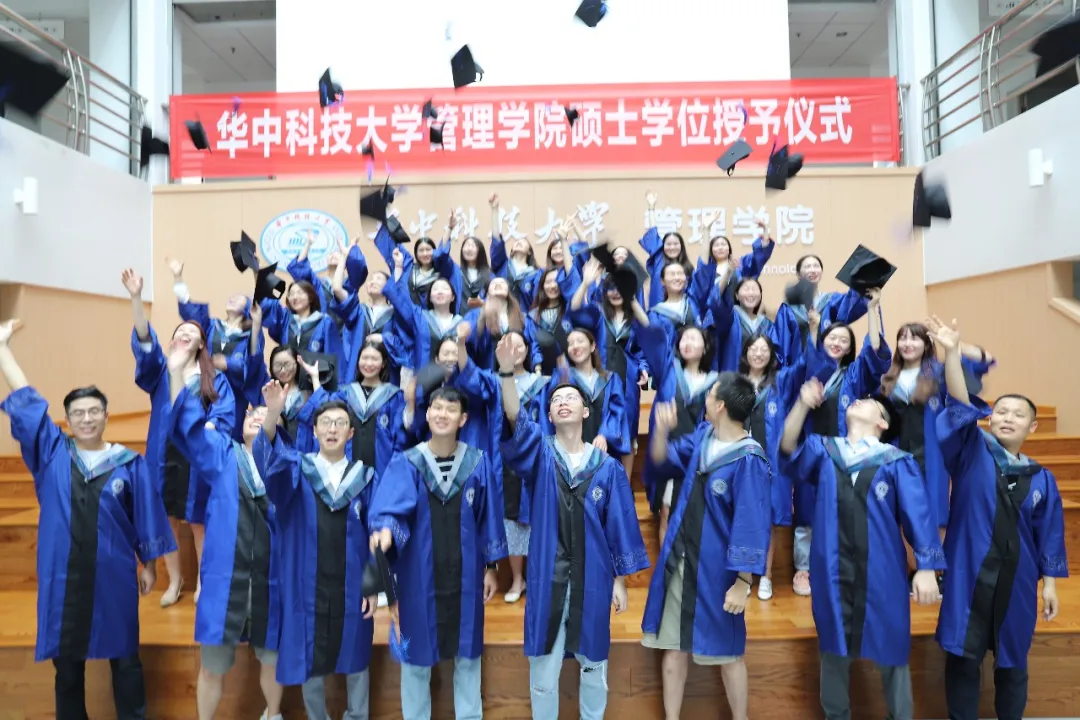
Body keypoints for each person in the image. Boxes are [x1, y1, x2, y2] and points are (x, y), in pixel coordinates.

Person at [0, 319, 174, 720]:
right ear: (67, 419)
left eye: (94, 411)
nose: (87, 418)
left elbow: (145, 515)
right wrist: (4, 349)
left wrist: (149, 565)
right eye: (78, 413)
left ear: (106, 415)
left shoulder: (129, 463)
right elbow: (28, 403)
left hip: (113, 573)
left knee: (126, 660)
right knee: (67, 667)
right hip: (63, 576)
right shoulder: (52, 453)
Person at [498, 336, 649, 720]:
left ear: (585, 411)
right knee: (543, 673)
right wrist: (506, 373)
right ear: (549, 415)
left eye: (571, 398)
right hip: (547, 578)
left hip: (593, 577)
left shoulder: (607, 468)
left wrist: (619, 581)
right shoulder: (540, 453)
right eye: (556, 400)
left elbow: (618, 526)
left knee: (594, 668)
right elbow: (515, 419)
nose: (563, 401)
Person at [779, 377, 946, 720]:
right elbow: (787, 446)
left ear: (882, 422)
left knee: (892, 646)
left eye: (869, 401)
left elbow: (918, 515)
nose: (857, 400)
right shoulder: (825, 451)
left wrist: (927, 567)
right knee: (833, 646)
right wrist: (802, 404)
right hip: (832, 568)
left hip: (881, 570)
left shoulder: (896, 461)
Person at [932, 317, 1067, 720]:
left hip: (1018, 580)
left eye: (1018, 414)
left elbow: (1050, 534)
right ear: (989, 418)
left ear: (1033, 425)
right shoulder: (972, 450)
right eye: (1001, 411)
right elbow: (959, 404)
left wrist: (1050, 585)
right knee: (963, 659)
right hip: (969, 573)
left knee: (1013, 663)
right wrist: (952, 354)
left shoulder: (1042, 478)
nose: (1008, 417)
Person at [368, 386, 508, 720]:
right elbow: (390, 509)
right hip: (419, 578)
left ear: (463, 419)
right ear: (427, 414)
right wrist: (386, 529)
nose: (442, 414)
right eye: (436, 408)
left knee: (468, 657)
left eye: (450, 409)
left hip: (466, 578)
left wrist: (491, 566)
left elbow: (487, 517)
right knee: (415, 660)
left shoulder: (477, 463)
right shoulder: (407, 463)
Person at [643, 373, 772, 720]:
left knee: (728, 653)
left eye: (711, 394)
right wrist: (660, 430)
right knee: (673, 646)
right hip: (681, 560)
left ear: (720, 405)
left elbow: (752, 524)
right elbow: (662, 459)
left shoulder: (749, 458)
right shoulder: (703, 437)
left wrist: (743, 582)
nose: (705, 399)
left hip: (719, 573)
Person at [254, 390, 379, 720]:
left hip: (352, 585)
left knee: (356, 653)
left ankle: (357, 716)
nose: (332, 429)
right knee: (308, 655)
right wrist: (272, 414)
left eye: (340, 423)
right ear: (314, 430)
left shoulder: (366, 478)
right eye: (326, 422)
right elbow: (270, 471)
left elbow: (377, 532)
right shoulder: (298, 471)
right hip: (307, 584)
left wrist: (373, 585)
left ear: (351, 433)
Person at [167, 377, 282, 719]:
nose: (256, 418)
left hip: (270, 579)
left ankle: (273, 713)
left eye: (265, 415)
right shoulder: (222, 455)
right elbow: (190, 429)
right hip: (224, 580)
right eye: (252, 414)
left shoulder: (285, 462)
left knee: (273, 659)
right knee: (212, 665)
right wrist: (176, 372)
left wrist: (272, 418)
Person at [125, 268, 236, 608]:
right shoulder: (162, 370)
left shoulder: (213, 378)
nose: (185, 334)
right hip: (162, 454)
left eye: (192, 332)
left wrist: (211, 429)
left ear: (202, 343)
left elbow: (224, 414)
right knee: (167, 520)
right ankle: (175, 580)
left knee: (199, 522)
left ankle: (204, 580)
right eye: (179, 332)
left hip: (196, 456)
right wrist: (136, 299)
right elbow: (145, 343)